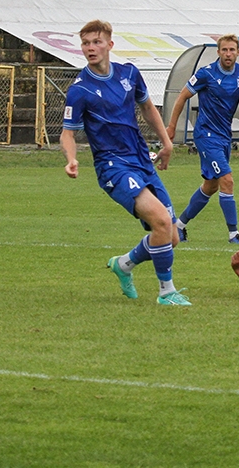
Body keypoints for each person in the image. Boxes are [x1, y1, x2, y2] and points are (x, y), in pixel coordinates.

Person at [61, 19, 190, 306]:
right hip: (113, 167)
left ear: (110, 44)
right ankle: (167, 292)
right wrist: (71, 158)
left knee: (171, 236)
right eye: (85, 43)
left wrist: (166, 143)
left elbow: (146, 108)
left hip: (142, 160)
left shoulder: (129, 73)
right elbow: (67, 133)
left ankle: (124, 265)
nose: (90, 48)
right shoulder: (80, 89)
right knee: (159, 220)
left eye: (96, 42)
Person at [166, 34, 239, 244]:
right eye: (224, 50)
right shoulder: (206, 73)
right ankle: (234, 234)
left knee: (211, 186)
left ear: (238, 52)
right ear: (218, 52)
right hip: (206, 135)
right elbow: (182, 96)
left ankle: (179, 226)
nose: (228, 53)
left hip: (224, 136)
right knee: (227, 180)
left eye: (232, 50)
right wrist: (172, 127)